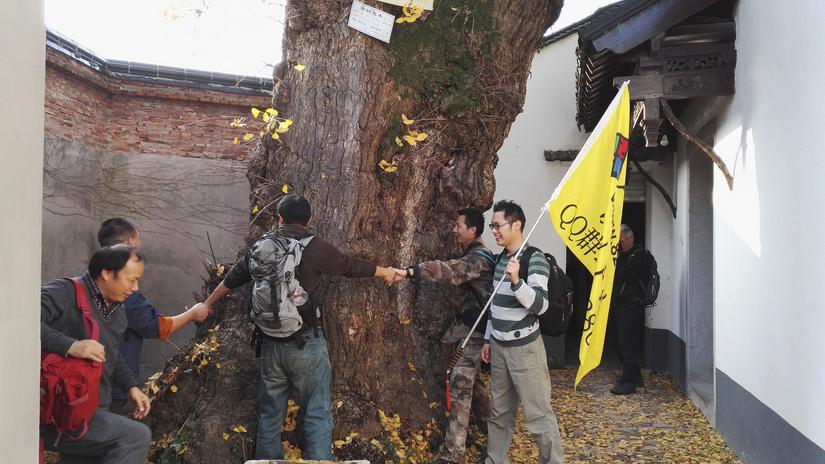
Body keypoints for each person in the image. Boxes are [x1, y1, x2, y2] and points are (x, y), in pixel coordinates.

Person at [195, 194, 397, 460]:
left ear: (279, 218)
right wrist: (385, 272)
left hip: (269, 343)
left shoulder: (262, 247)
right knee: (316, 411)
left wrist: (207, 304)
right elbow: (351, 266)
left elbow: (233, 278)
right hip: (305, 343)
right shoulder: (317, 249)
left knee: (270, 414)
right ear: (309, 219)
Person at [393, 207, 494, 464]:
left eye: (459, 225)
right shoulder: (476, 254)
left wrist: (412, 271)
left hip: (475, 334)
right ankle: (494, 437)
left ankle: (453, 455)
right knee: (475, 386)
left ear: (473, 230)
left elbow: (451, 270)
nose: (454, 230)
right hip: (475, 331)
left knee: (460, 389)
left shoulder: (478, 259)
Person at [41, 245, 153, 464]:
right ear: (106, 273)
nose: (136, 288)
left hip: (89, 409)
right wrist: (71, 345)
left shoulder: (118, 312)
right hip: (55, 413)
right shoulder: (64, 292)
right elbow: (19, 320)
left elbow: (110, 353)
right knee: (136, 437)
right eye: (131, 280)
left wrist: (131, 386)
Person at [97, 218, 210, 414]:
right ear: (129, 242)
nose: (135, 287)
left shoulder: (95, 277)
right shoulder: (121, 286)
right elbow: (157, 327)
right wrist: (193, 313)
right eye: (138, 240)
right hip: (108, 386)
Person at [480, 200, 564, 464]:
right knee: (499, 413)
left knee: (538, 415)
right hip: (499, 347)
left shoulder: (534, 259)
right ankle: (495, 459)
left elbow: (541, 305)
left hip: (525, 350)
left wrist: (517, 280)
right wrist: (487, 339)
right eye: (492, 226)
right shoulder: (501, 259)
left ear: (516, 224)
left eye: (498, 225)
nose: (494, 231)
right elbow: (494, 304)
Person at [610, 224, 651, 395]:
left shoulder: (641, 256)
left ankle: (629, 382)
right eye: (618, 242)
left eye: (622, 241)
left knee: (628, 344)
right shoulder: (623, 256)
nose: (620, 245)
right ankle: (635, 376)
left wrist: (616, 261)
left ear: (631, 238)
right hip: (620, 306)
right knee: (618, 341)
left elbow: (630, 276)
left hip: (632, 306)